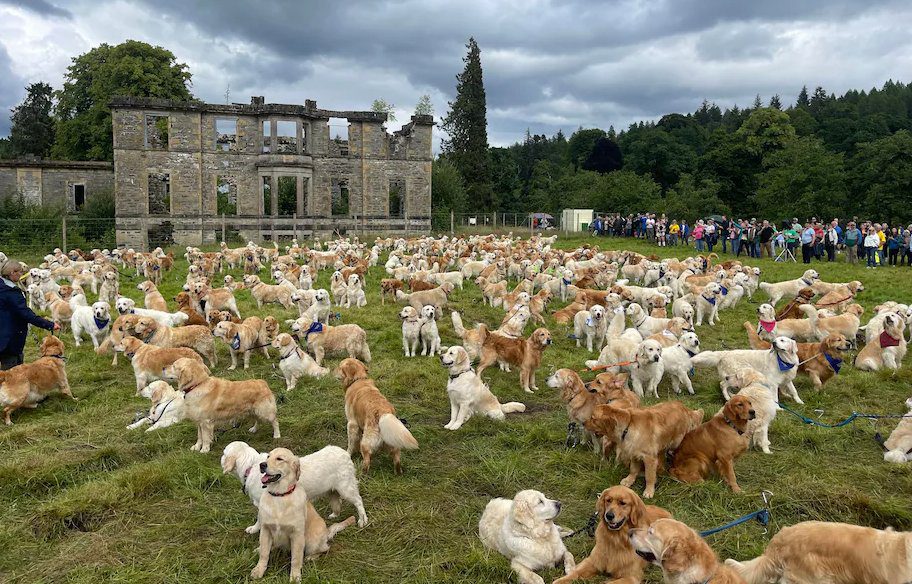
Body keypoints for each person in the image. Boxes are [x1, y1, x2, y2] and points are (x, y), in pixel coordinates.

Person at [0, 259, 59, 370]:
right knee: (12, 373)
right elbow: (25, 313)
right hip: (9, 338)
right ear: (12, 273)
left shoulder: (2, 286)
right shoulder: (11, 292)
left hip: (3, 333)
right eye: (20, 272)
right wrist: (49, 324)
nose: (22, 274)